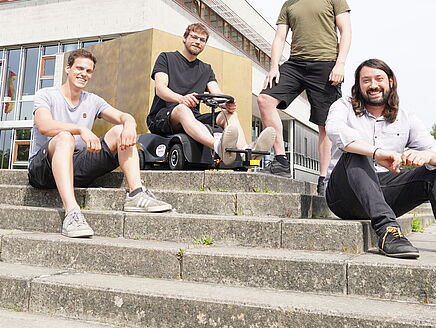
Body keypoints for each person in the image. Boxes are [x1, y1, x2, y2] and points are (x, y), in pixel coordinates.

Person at [325, 58, 436, 293]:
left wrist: (427, 157)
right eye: (366, 80)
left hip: (384, 190)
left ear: (390, 82)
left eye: (379, 79)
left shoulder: (406, 116)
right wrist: (376, 152)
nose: (373, 85)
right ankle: (388, 232)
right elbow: (336, 131)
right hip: (345, 195)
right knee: (355, 150)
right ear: (358, 85)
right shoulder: (343, 106)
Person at [28, 48, 172, 238]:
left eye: (88, 71)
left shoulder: (92, 100)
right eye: (79, 68)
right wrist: (80, 129)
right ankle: (72, 213)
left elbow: (121, 115)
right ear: (68, 69)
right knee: (64, 136)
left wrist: (129, 122)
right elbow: (45, 126)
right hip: (43, 170)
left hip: (76, 166)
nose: (83, 74)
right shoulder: (46, 94)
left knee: (120, 130)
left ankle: (136, 194)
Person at [257, 0, 351, 193]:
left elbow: (346, 31)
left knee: (324, 125)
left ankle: (324, 179)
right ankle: (280, 161)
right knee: (265, 99)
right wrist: (274, 66)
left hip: (326, 64)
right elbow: (279, 37)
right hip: (296, 64)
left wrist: (340, 64)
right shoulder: (289, 5)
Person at [147, 23, 276, 165]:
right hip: (162, 116)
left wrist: (226, 104)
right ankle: (218, 146)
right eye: (194, 37)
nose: (198, 42)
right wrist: (181, 99)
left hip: (193, 117)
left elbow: (216, 93)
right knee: (183, 109)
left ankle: (246, 151)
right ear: (184, 38)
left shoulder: (206, 69)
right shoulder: (166, 58)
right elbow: (160, 88)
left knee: (230, 114)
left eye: (202, 40)